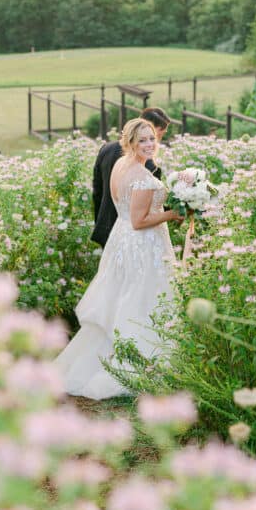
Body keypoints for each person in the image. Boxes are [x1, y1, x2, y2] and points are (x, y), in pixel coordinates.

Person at [55, 118, 183, 400]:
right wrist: (173, 214)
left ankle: (114, 357)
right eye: (143, 141)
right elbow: (140, 220)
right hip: (141, 244)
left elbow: (127, 211)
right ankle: (139, 365)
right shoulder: (141, 175)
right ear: (131, 142)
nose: (150, 144)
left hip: (121, 240)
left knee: (123, 297)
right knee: (144, 299)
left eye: (152, 139)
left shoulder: (120, 165)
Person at [91, 107, 171, 247]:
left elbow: (97, 191)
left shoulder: (106, 149)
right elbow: (150, 208)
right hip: (135, 237)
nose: (155, 141)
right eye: (160, 134)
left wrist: (100, 222)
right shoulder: (149, 165)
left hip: (108, 229)